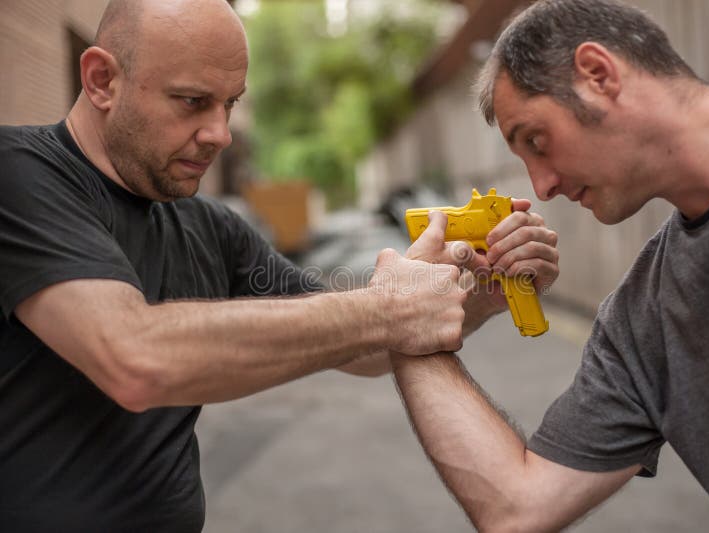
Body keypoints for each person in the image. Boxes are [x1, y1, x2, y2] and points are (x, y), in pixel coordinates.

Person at [0, 0, 561, 531]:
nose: (220, 135)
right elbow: (134, 359)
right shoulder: (19, 175)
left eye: (230, 104)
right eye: (192, 101)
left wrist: (478, 292)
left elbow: (361, 348)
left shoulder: (210, 227)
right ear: (101, 80)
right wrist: (388, 309)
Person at [391, 0, 709, 531]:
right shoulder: (643, 320)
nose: (542, 187)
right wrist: (406, 322)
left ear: (598, 75)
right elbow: (518, 507)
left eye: (536, 142)